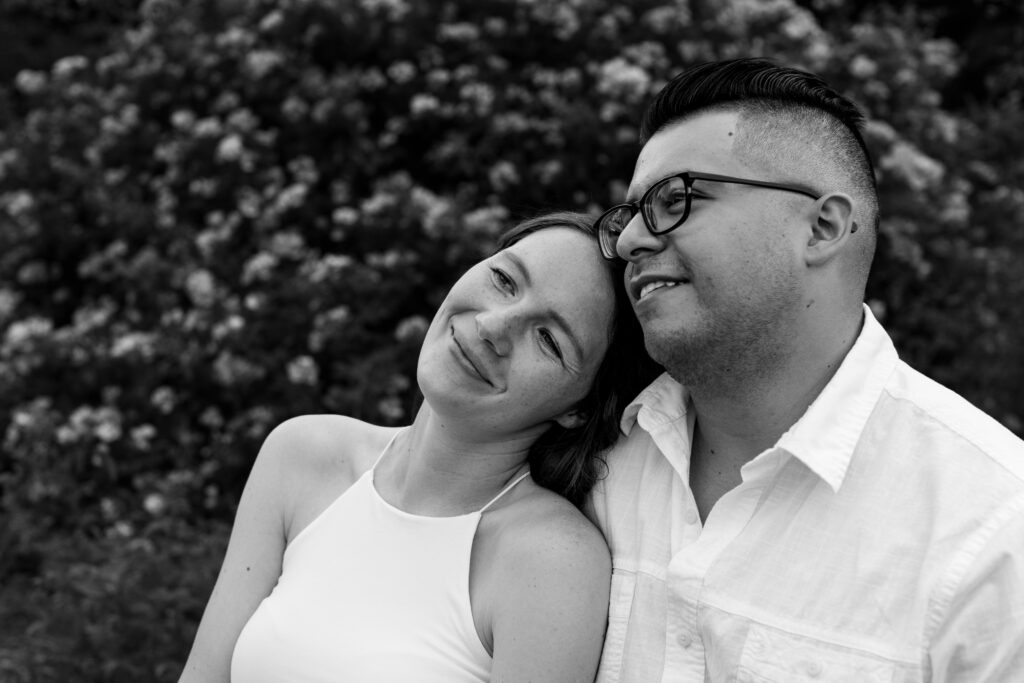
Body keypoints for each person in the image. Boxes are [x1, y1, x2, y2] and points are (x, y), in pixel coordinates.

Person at [588, 58, 1024, 682]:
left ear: (822, 227)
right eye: (628, 214)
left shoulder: (994, 535)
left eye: (674, 200)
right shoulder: (590, 457)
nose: (630, 240)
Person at [179, 211, 659, 683]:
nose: (494, 327)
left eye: (549, 340)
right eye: (504, 280)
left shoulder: (551, 560)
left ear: (578, 409)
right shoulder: (302, 454)